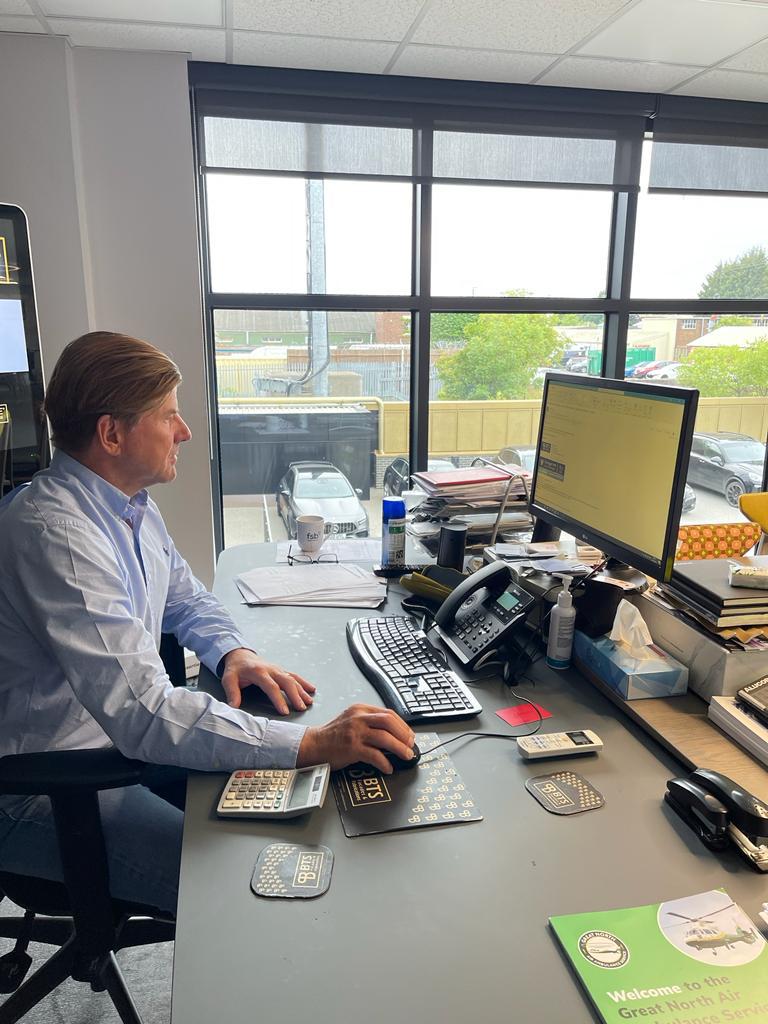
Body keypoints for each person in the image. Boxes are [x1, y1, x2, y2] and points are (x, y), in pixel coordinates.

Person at [0, 332, 414, 914]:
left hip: (114, 746)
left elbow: (186, 599)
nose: (185, 431)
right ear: (112, 434)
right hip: (53, 786)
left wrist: (232, 653)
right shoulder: (58, 534)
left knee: (305, 815)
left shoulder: (125, 506)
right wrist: (313, 743)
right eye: (168, 415)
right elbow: (143, 712)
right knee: (249, 894)